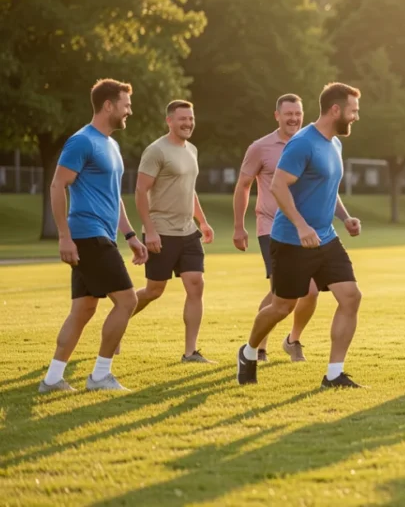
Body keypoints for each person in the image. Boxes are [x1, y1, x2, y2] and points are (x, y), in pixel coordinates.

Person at [236, 83, 364, 389]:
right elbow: (279, 186)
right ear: (336, 110)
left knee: (351, 296)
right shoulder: (303, 143)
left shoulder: (334, 144)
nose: (356, 117)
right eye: (353, 111)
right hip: (291, 240)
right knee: (282, 306)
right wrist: (302, 226)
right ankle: (249, 351)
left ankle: (334, 374)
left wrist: (345, 218)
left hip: (326, 238)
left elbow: (326, 189)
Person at [40, 79, 148, 393]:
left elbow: (113, 198)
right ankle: (100, 376)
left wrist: (130, 235)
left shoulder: (111, 145)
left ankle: (52, 379)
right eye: (126, 105)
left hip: (102, 234)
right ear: (108, 105)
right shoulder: (81, 141)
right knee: (127, 302)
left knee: (84, 308)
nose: (130, 110)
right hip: (87, 235)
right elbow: (58, 185)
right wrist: (64, 236)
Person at [126, 100, 215, 363]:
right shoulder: (156, 151)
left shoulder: (192, 150)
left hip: (188, 232)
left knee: (196, 285)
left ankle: (190, 352)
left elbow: (189, 189)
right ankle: (117, 324)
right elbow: (141, 191)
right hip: (162, 232)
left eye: (190, 118)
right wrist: (150, 231)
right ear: (169, 121)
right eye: (182, 119)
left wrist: (203, 221)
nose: (188, 123)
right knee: (154, 290)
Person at [234, 94, 319, 362]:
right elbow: (243, 186)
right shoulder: (260, 147)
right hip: (271, 227)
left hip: (303, 227)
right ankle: (256, 348)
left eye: (298, 113)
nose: (293, 118)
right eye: (288, 114)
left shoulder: (309, 143)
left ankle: (293, 340)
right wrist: (239, 226)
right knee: (279, 292)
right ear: (277, 116)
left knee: (311, 291)